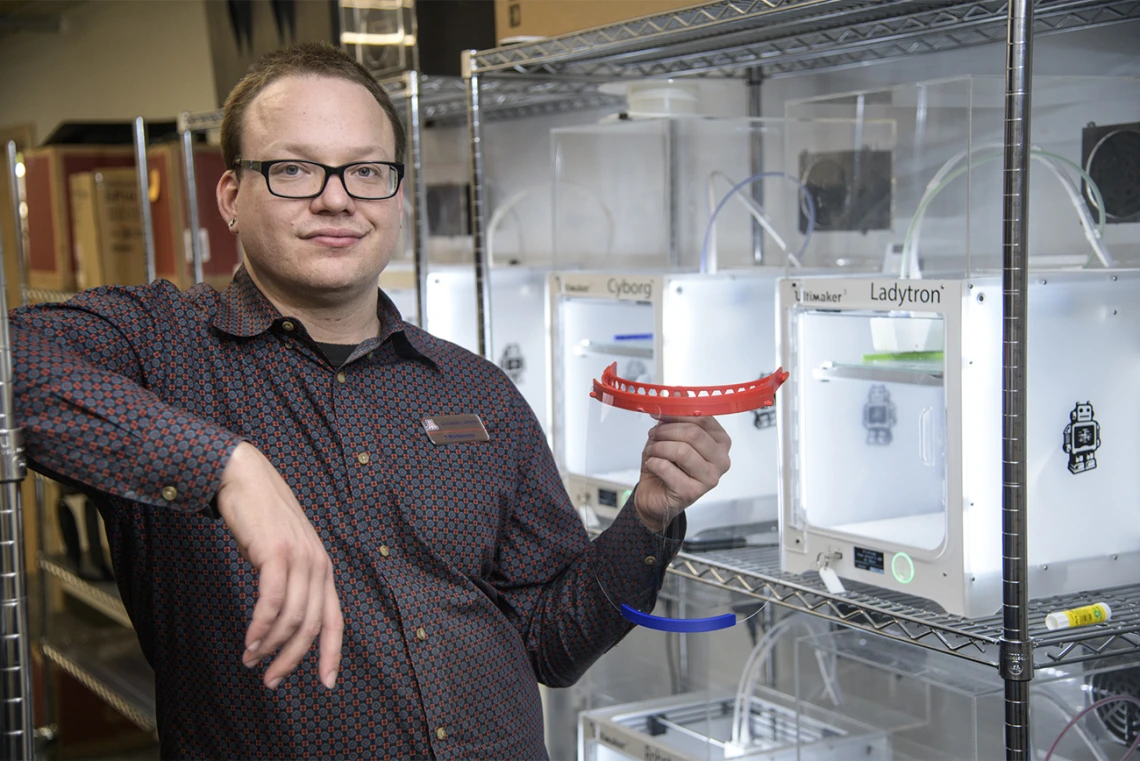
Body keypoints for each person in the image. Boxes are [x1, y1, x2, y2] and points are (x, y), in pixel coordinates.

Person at [10, 42, 731, 760]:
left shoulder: (475, 389)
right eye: (293, 168)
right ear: (231, 196)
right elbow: (13, 364)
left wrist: (648, 515)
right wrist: (228, 467)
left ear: (396, 195)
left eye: (366, 170)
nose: (336, 196)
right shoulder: (160, 348)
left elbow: (550, 639)